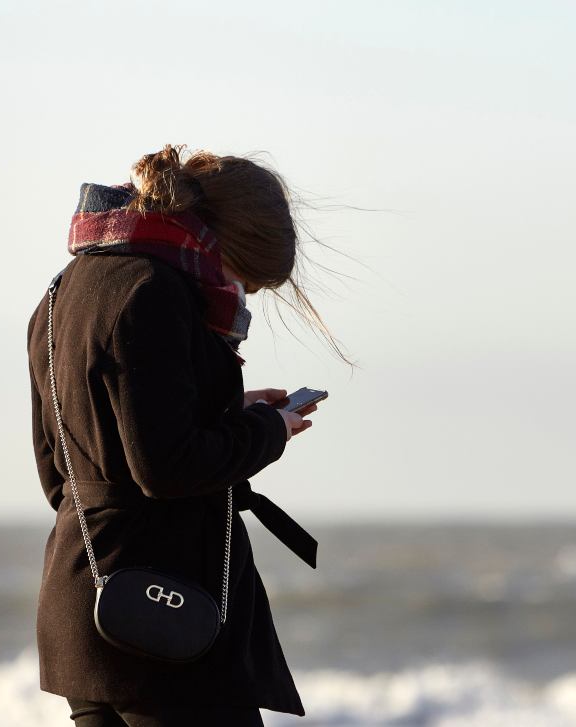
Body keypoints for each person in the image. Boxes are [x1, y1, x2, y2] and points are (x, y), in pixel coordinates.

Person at [27, 145, 342, 726]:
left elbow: (61, 467)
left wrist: (221, 408)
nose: (238, 295)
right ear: (225, 244)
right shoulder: (156, 292)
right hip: (162, 619)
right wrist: (265, 432)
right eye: (243, 279)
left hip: (83, 608)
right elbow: (167, 466)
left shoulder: (63, 290)